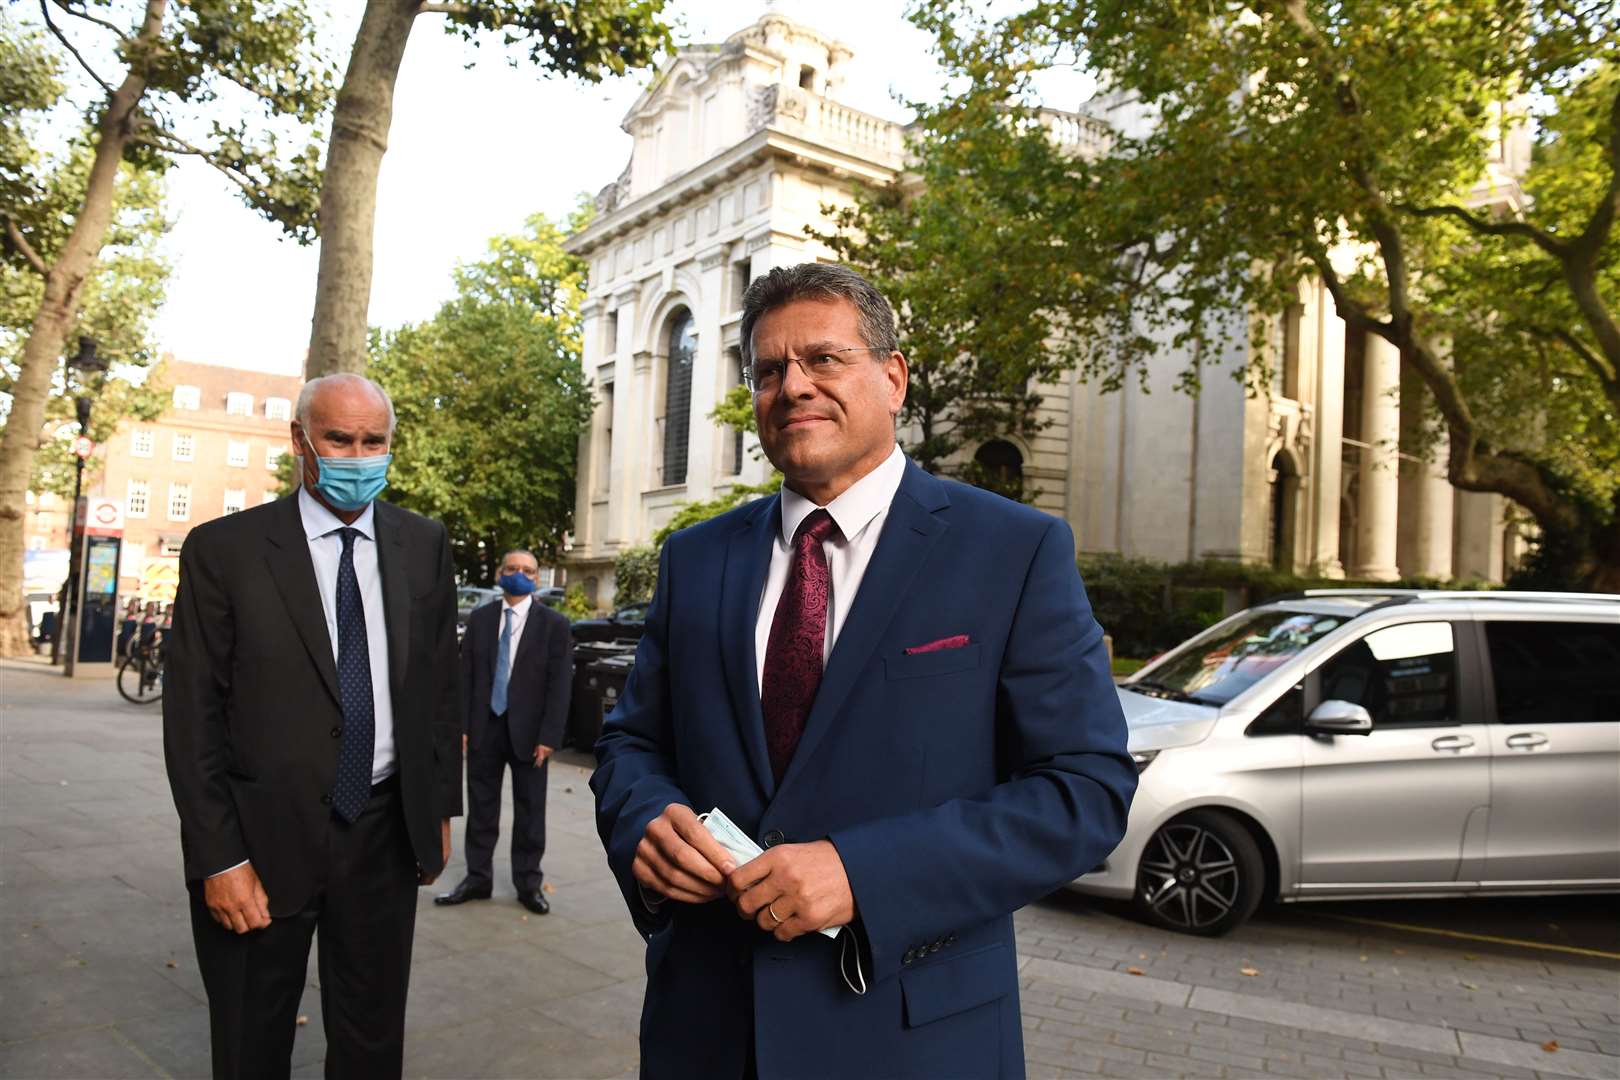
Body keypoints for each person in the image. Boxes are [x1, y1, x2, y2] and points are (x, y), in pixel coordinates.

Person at [591, 263, 1137, 1080]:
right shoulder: (696, 558)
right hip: (704, 1029)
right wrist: (647, 823)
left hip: (913, 1039)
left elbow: (1084, 791)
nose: (793, 386)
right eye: (769, 371)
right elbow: (632, 743)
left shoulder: (1013, 551)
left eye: (823, 359)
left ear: (892, 378)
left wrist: (864, 872)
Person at [162, 373, 462, 1079]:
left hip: (385, 833)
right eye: (339, 439)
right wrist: (218, 859)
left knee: (371, 1041)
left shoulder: (423, 545)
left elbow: (438, 692)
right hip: (259, 842)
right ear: (300, 441)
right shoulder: (224, 551)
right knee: (249, 1041)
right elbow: (192, 719)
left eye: (374, 441)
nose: (359, 457)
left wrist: (438, 807)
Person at [436, 548, 572, 914]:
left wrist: (549, 737)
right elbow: (465, 677)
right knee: (481, 809)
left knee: (530, 812)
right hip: (485, 728)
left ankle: (528, 883)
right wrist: (461, 726)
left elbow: (560, 687)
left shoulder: (554, 625)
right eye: (512, 568)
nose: (519, 574)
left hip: (531, 736)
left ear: (536, 578)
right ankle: (478, 879)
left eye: (527, 570)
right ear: (500, 573)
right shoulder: (480, 619)